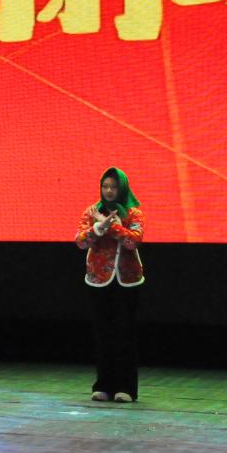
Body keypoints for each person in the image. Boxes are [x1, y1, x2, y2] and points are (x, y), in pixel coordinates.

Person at [76, 167, 145, 403]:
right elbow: (80, 241)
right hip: (98, 279)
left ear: (121, 188)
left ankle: (126, 388)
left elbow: (133, 241)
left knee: (125, 334)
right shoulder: (92, 212)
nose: (109, 191)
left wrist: (112, 226)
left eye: (114, 187)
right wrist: (98, 227)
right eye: (105, 186)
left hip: (127, 281)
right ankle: (103, 385)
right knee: (103, 334)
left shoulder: (134, 213)